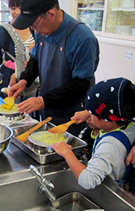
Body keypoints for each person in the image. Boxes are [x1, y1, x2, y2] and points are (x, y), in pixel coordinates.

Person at [9, 0, 100, 136]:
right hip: (49, 109)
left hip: (73, 116)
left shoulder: (83, 39)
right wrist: (24, 80)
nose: (33, 29)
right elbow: (35, 60)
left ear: (50, 13)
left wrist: (44, 100)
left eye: (34, 23)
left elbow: (80, 84)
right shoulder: (42, 30)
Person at [51, 78, 135, 192]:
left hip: (110, 192)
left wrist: (67, 153)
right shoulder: (129, 123)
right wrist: (89, 113)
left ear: (107, 120)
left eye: (91, 112)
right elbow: (108, 112)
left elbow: (88, 181)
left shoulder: (110, 144)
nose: (89, 115)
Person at [0, 0, 35, 99]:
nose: (16, 12)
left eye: (20, 8)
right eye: (13, 8)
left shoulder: (35, 28)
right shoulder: (4, 30)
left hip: (33, 85)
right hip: (10, 84)